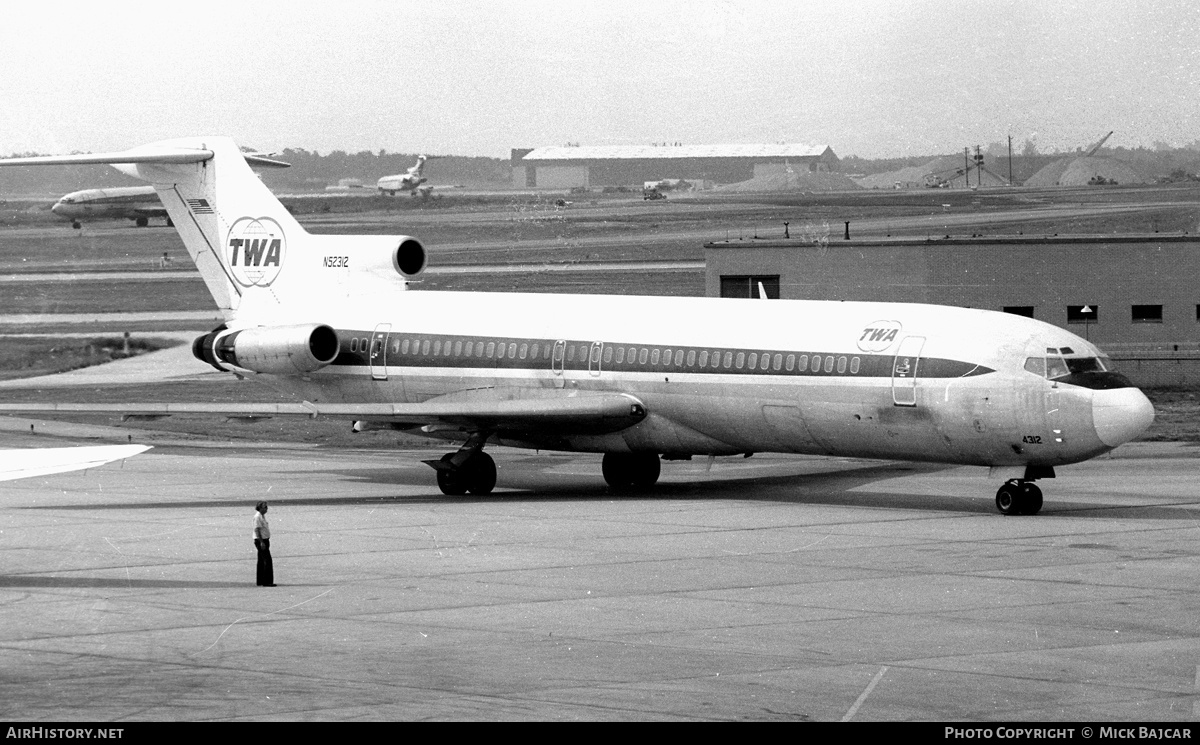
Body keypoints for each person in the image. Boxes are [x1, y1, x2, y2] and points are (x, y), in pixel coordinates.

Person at [253, 501, 275, 587]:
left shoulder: (262, 516)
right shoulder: (258, 517)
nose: (266, 509)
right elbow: (257, 530)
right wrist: (261, 542)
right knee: (267, 560)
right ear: (260, 508)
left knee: (261, 560)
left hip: (264, 540)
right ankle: (267, 581)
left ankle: (261, 580)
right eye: (265, 507)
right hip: (261, 541)